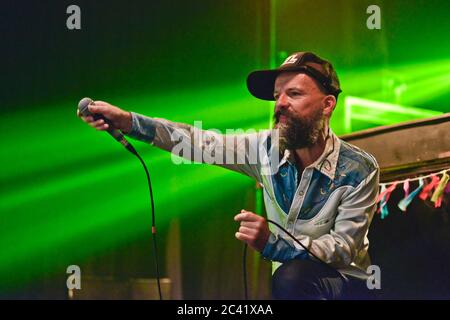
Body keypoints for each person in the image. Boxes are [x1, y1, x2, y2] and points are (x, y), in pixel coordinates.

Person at [78, 51, 380, 300]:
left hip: (349, 286)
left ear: (328, 104)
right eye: (277, 96)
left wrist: (273, 244)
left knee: (293, 276)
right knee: (291, 278)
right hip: (295, 287)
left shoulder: (359, 169)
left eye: (294, 94)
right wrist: (130, 122)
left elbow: (341, 251)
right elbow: (199, 142)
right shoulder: (265, 149)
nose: (281, 104)